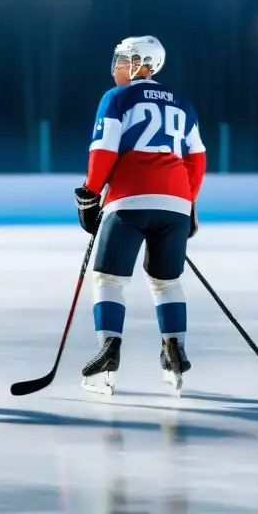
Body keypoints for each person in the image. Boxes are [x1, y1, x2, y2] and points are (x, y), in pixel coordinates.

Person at [74, 35, 206, 395]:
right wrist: (188, 202)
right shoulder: (183, 103)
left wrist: (89, 193)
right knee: (166, 282)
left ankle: (108, 353)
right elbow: (197, 159)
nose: (116, 66)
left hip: (129, 198)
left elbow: (103, 150)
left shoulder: (116, 98)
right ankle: (174, 351)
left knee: (108, 279)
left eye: (123, 59)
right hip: (176, 202)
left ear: (142, 64)